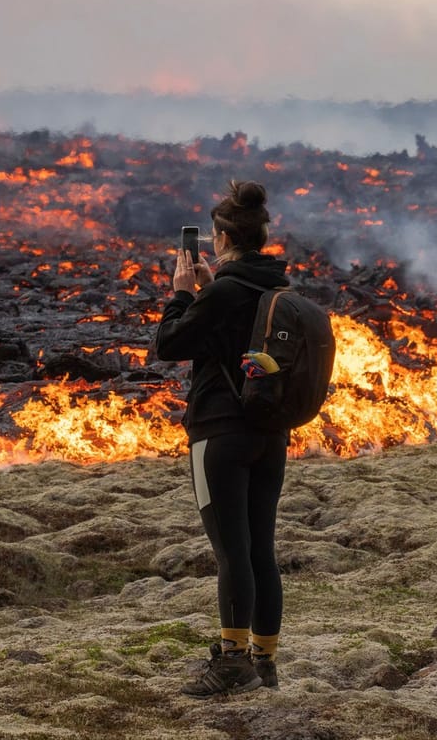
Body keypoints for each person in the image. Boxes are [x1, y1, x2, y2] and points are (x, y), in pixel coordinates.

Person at [153, 180, 289, 698]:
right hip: (270, 434)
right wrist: (211, 289)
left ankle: (232, 662)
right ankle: (265, 661)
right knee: (261, 551)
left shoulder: (224, 292)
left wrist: (183, 294)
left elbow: (170, 343)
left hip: (220, 432)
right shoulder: (276, 289)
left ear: (222, 237)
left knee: (231, 553)